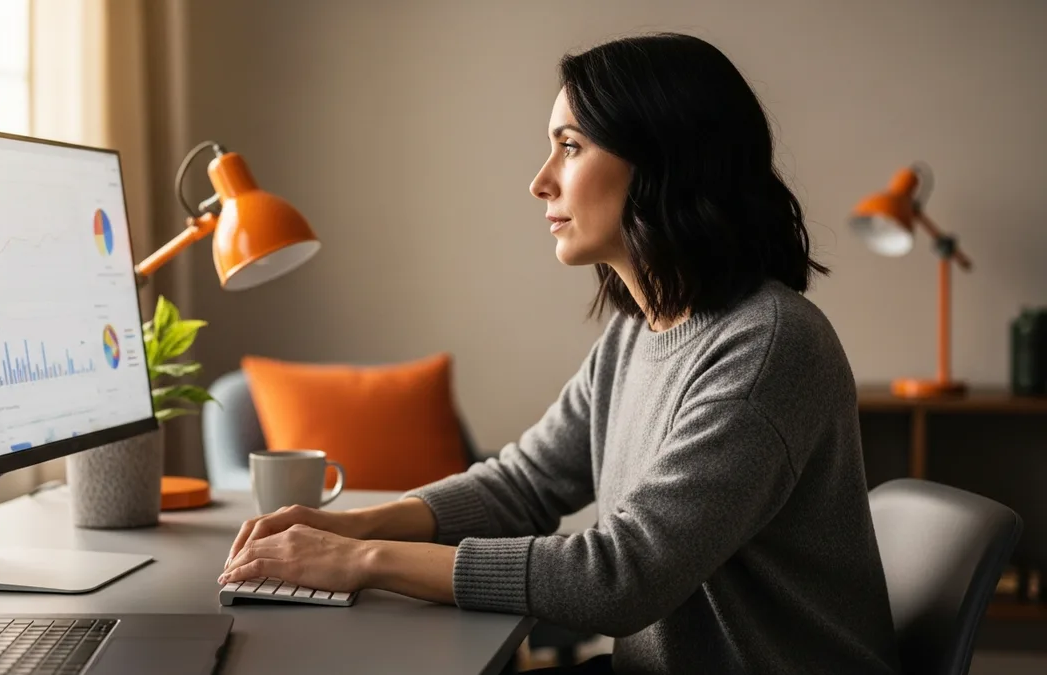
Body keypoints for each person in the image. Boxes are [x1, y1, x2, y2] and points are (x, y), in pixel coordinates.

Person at [221, 33, 901, 674]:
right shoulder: (636, 334)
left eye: (570, 147)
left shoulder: (767, 348)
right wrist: (345, 526)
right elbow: (523, 484)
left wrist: (365, 559)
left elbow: (620, 578)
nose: (541, 181)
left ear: (662, 161)